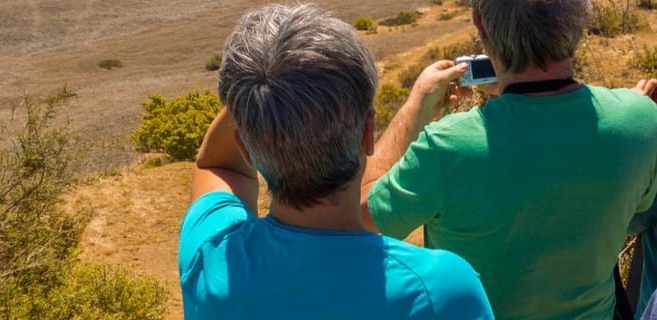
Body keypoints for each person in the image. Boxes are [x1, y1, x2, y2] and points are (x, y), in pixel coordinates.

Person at [178, 3, 494, 319]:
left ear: (246, 149)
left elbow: (218, 165)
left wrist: (261, 84)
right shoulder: (439, 293)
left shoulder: (211, 260)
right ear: (368, 134)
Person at [362, 0, 657, 318]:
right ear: (582, 19)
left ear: (479, 24)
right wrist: (627, 108)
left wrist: (413, 111)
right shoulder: (640, 121)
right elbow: (638, 209)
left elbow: (356, 222)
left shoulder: (446, 147)